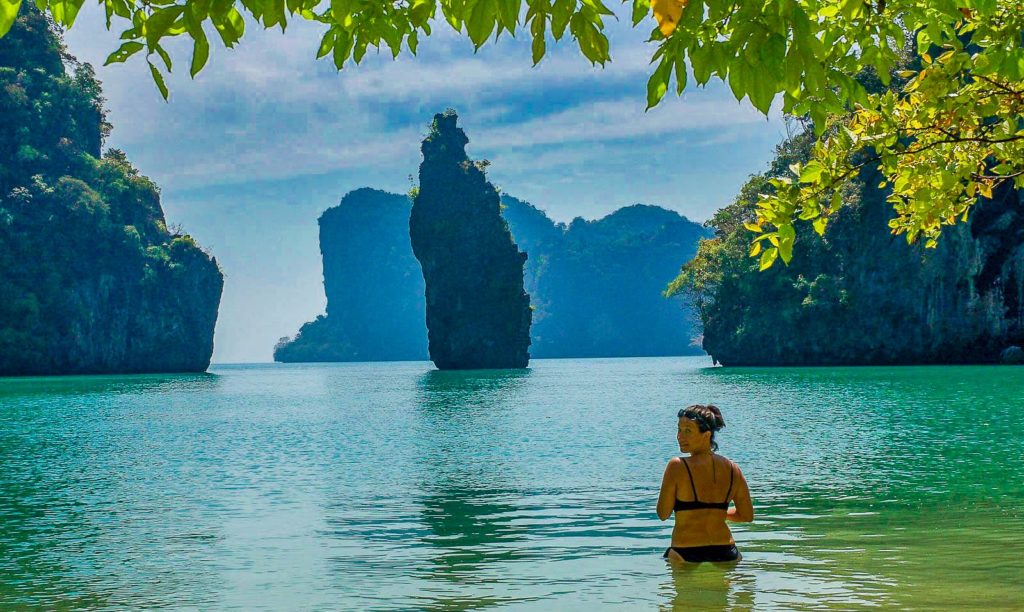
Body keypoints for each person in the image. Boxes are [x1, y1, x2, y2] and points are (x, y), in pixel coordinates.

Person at [656, 404, 753, 563]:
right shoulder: (733, 469)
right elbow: (747, 515)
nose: (680, 436)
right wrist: (717, 512)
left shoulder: (677, 466)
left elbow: (663, 514)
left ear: (706, 435)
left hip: (685, 552)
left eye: (688, 431)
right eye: (679, 430)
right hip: (727, 552)